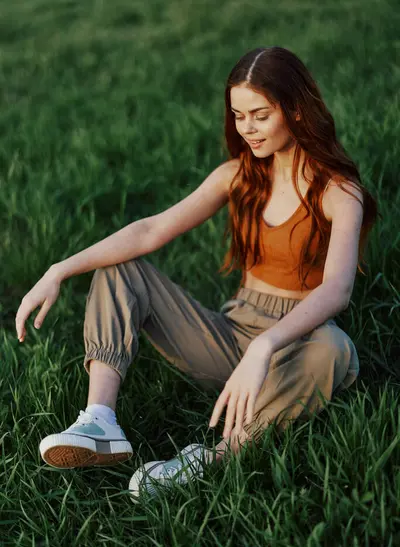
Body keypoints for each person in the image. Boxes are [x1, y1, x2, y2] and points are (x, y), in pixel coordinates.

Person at [15, 46, 379, 502]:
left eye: (260, 115)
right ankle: (100, 421)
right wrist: (59, 269)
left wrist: (266, 346)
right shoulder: (239, 176)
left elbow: (338, 290)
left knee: (335, 347)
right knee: (120, 268)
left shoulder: (339, 191)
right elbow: (150, 230)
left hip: (297, 342)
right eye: (238, 115)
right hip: (230, 336)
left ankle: (209, 459)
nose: (247, 128)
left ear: (297, 110)